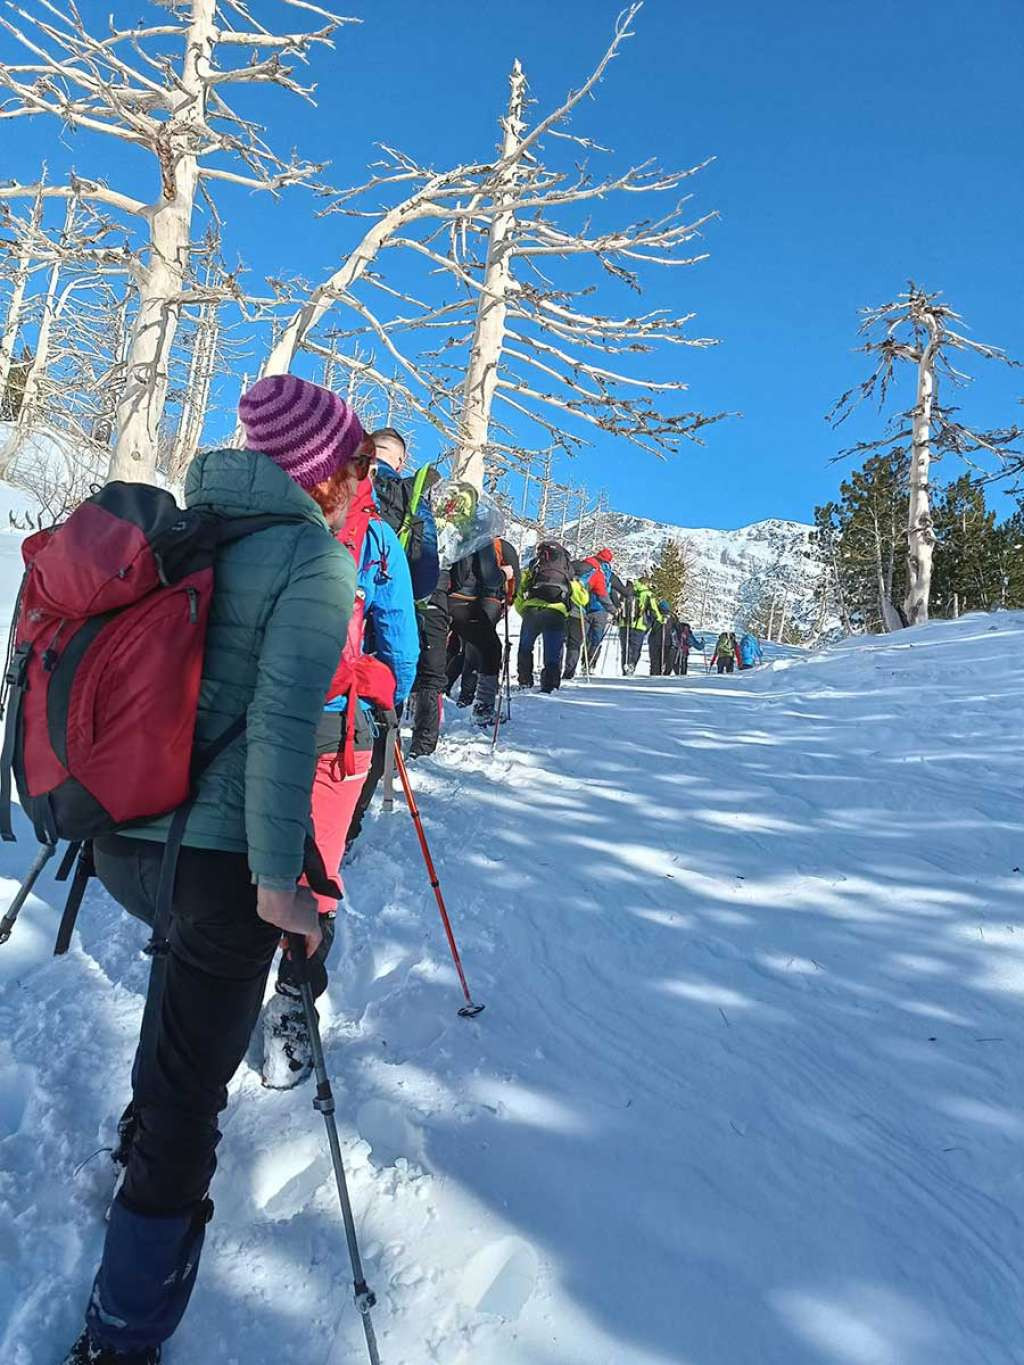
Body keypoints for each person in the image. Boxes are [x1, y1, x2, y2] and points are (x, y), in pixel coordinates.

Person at [65, 375, 360, 1365]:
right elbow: (281, 732)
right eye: (354, 464)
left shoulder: (180, 532)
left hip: (123, 841)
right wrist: (283, 884)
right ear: (320, 470)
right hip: (220, 860)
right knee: (196, 1092)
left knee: (177, 1005)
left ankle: (136, 1142)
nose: (359, 481)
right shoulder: (311, 562)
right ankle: (123, 1332)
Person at [263, 469, 418, 1088]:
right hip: (335, 723)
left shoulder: (249, 513)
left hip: (242, 718)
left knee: (232, 857)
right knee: (314, 869)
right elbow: (400, 646)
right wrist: (389, 708)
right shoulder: (375, 538)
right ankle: (292, 1008)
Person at [347, 427, 438, 830]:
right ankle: (348, 821)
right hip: (379, 620)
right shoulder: (410, 495)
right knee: (373, 716)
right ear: (400, 461)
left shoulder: (334, 476)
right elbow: (425, 578)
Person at [448, 536, 520, 706]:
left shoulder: (454, 533)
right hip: (478, 600)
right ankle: (480, 704)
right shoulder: (490, 542)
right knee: (488, 649)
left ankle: (434, 697)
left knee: (453, 647)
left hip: (444, 596)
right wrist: (506, 578)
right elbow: (495, 577)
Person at [516, 540, 586, 692]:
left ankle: (525, 681)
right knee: (553, 652)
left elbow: (520, 589)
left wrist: (523, 610)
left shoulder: (535, 565)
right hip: (556, 613)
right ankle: (550, 686)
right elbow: (582, 599)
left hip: (532, 610)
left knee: (525, 648)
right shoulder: (567, 570)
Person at [564, 547, 615, 681]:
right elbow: (603, 595)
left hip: (564, 607)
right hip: (586, 609)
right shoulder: (598, 573)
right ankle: (579, 669)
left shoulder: (575, 565)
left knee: (565, 640)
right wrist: (614, 610)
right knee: (586, 641)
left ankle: (558, 670)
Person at [619, 578, 663, 675]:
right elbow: (654, 610)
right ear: (646, 583)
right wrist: (660, 619)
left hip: (624, 624)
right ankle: (632, 665)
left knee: (625, 648)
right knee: (635, 649)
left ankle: (624, 668)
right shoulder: (647, 594)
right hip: (639, 625)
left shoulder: (627, 590)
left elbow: (620, 605)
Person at [648, 599, 675, 676]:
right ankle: (658, 675)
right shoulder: (670, 617)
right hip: (661, 642)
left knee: (657, 662)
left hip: (660, 643)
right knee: (658, 662)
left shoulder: (670, 617)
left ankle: (656, 675)